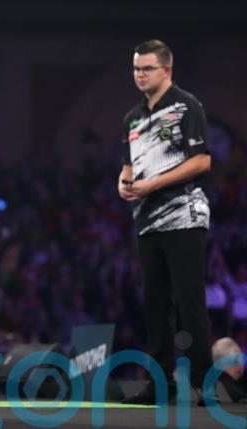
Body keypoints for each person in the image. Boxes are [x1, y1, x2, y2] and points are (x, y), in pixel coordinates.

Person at [117, 39, 215, 405]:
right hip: (147, 221)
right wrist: (124, 182)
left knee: (189, 302)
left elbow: (202, 161)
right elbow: (129, 166)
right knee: (155, 304)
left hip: (184, 216)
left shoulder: (186, 106)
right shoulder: (132, 118)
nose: (140, 75)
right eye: (136, 69)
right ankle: (160, 382)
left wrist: (153, 184)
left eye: (147, 68)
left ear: (166, 70)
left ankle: (204, 383)